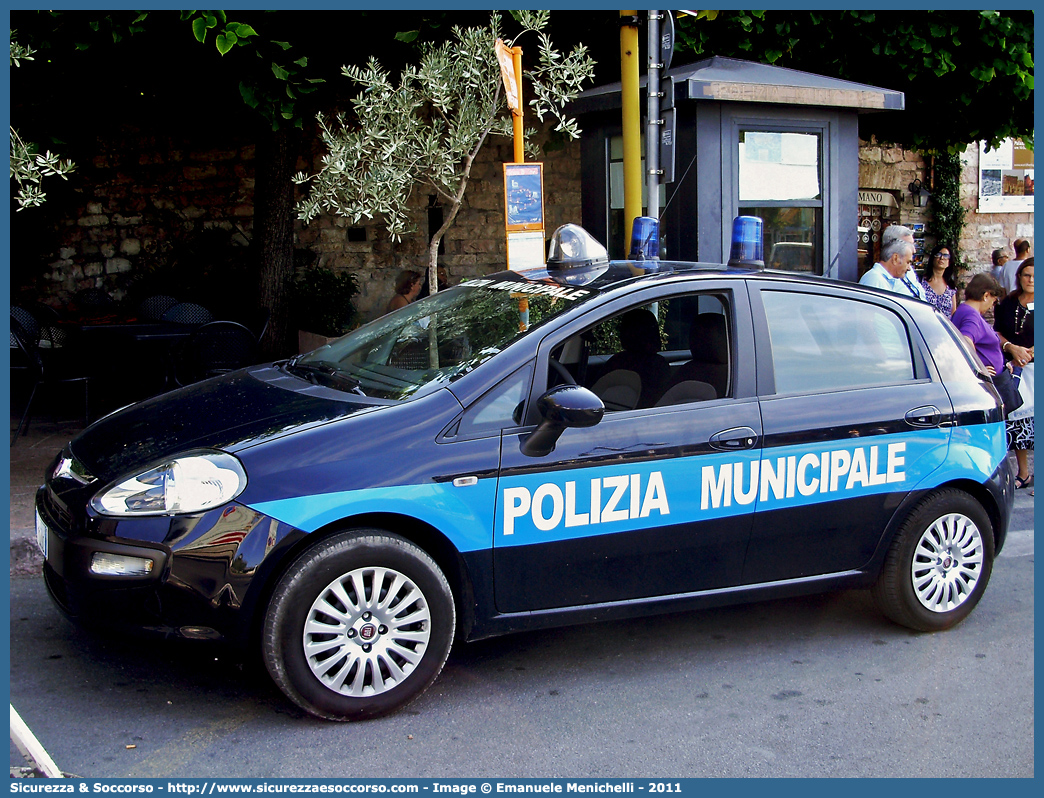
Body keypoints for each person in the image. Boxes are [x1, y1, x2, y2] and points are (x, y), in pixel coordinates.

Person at [995, 257, 1034, 490]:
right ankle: (1024, 472)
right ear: (1019, 276)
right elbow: (996, 332)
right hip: (1014, 367)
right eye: (1027, 275)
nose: (1031, 280)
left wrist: (1031, 352)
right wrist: (1011, 347)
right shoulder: (1008, 303)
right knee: (1018, 418)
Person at [859, 237, 927, 300]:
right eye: (908, 262)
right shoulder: (874, 280)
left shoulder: (881, 279)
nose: (909, 268)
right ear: (895, 258)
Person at [919, 243, 958, 316]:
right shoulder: (921, 282)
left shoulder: (950, 286)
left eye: (946, 256)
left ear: (949, 262)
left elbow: (953, 314)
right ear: (933, 258)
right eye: (938, 254)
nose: (942, 258)